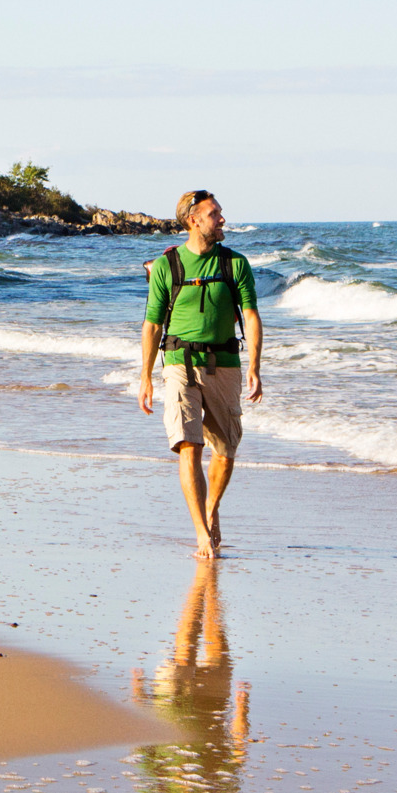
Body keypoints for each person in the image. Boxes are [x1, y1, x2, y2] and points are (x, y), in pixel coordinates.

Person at [137, 190, 264, 559]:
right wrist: (145, 376)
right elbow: (152, 326)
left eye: (221, 212)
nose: (222, 219)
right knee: (189, 445)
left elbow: (252, 317)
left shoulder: (235, 264)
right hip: (179, 364)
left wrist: (255, 366)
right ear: (193, 220)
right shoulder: (167, 266)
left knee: (225, 451)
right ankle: (201, 533)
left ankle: (211, 508)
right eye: (214, 214)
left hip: (224, 364)